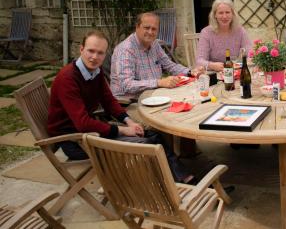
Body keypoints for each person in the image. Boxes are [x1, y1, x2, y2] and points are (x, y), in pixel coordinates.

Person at [47, 30, 194, 183]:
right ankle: (160, 187)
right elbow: (82, 122)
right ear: (81, 49)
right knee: (146, 146)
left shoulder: (95, 72)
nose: (95, 57)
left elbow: (109, 101)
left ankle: (182, 178)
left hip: (89, 132)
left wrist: (129, 121)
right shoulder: (68, 78)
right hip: (74, 141)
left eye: (100, 53)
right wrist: (122, 130)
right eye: (91, 51)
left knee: (152, 135)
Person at [111, 12, 203, 98]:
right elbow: (127, 85)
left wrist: (190, 72)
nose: (150, 32)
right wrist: (159, 83)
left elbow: (170, 65)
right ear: (137, 27)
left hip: (153, 96)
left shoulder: (154, 44)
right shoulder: (126, 49)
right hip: (128, 102)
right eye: (147, 28)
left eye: (154, 29)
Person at [196, 0, 252, 72]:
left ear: (233, 14)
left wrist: (248, 60)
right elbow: (199, 61)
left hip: (235, 72)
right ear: (215, 15)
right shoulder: (206, 32)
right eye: (220, 13)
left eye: (227, 12)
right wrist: (211, 65)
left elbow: (249, 53)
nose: (224, 16)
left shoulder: (240, 30)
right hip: (214, 74)